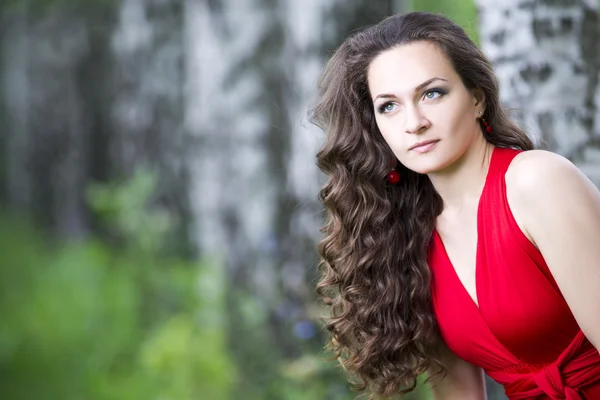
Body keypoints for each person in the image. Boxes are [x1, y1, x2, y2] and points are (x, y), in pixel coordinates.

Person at [309, 11, 600, 400]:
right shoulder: (405, 234)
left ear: (477, 98)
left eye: (432, 93)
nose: (414, 123)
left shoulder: (538, 182)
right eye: (389, 106)